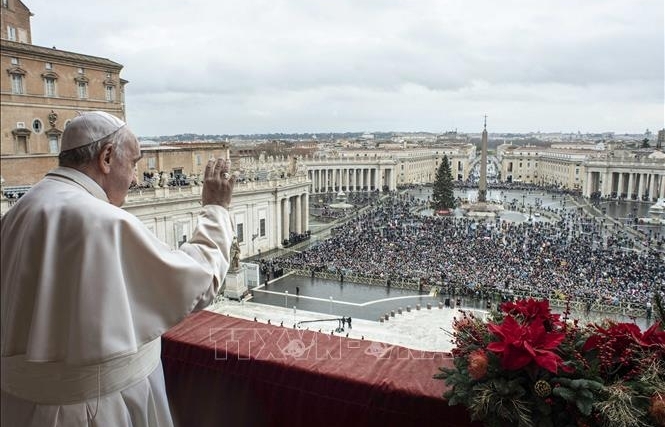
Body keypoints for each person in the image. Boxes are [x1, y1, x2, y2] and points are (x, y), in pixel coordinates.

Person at [0, 111, 236, 427]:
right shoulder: (105, 222)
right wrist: (216, 210)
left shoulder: (18, 212)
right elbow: (199, 282)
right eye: (135, 163)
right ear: (107, 157)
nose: (137, 178)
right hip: (97, 411)